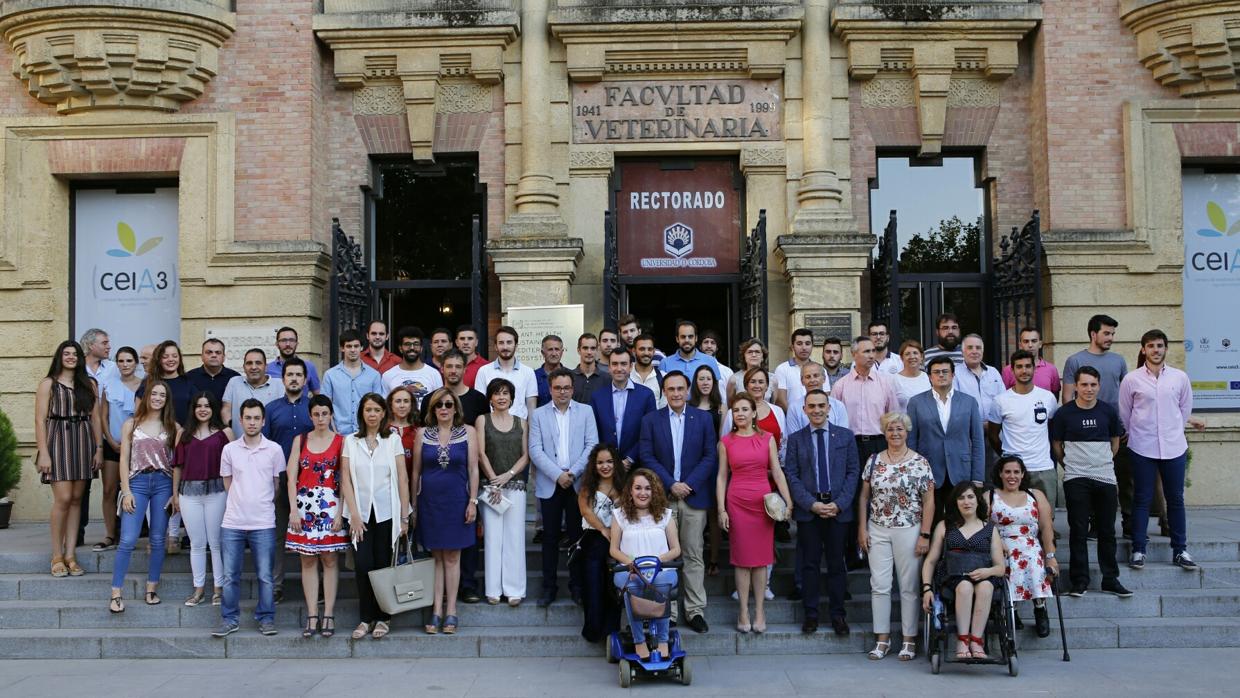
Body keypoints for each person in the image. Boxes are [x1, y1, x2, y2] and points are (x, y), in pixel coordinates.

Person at [639, 370, 718, 634]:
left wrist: (688, 485)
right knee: (665, 557)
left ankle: (695, 610)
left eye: (680, 389)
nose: (675, 393)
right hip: (663, 498)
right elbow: (646, 455)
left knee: (693, 555)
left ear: (687, 391)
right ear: (664, 391)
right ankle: (668, 612)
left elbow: (710, 456)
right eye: (670, 389)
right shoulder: (651, 420)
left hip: (694, 498)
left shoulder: (704, 419)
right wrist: (671, 484)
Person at [1119, 329, 1205, 571]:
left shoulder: (1179, 378)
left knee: (1175, 499)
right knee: (1142, 499)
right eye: (1151, 346)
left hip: (1174, 446)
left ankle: (1180, 549)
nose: (1156, 350)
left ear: (1166, 349)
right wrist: (1133, 435)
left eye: (1160, 346)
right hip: (1142, 447)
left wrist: (1173, 429)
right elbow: (1125, 413)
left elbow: (1184, 409)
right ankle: (1138, 549)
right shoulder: (1132, 379)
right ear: (1143, 349)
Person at [783, 389, 860, 637]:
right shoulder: (796, 439)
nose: (816, 410)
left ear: (829, 408)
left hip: (838, 510)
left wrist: (840, 503)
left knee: (837, 565)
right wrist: (810, 504)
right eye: (812, 406)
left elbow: (852, 473)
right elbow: (792, 475)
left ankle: (838, 615)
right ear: (804, 409)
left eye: (821, 406)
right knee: (809, 565)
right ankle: (811, 614)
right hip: (810, 511)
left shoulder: (846, 437)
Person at [857, 412, 933, 660]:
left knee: (909, 587)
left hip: (909, 529)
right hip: (877, 528)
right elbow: (864, 497)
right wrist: (862, 527)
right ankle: (882, 639)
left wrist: (925, 534)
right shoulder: (874, 460)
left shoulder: (920, 462)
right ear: (884, 432)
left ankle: (909, 640)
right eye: (890, 429)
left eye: (899, 429)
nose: (895, 433)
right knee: (879, 585)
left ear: (907, 431)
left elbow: (929, 501)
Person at [716, 393, 793, 634]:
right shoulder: (726, 442)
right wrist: (721, 509)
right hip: (737, 501)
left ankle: (759, 611)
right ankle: (743, 611)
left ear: (753, 413)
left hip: (763, 503)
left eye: (744, 409)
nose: (740, 413)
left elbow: (777, 472)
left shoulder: (768, 438)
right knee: (741, 560)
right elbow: (721, 477)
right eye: (736, 410)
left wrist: (788, 502)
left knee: (761, 561)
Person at [1053, 366, 1132, 598]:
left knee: (1107, 530)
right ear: (1075, 386)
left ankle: (1110, 579)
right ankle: (1080, 581)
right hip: (1076, 478)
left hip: (1105, 477)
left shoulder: (1107, 411)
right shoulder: (1064, 414)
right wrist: (1073, 466)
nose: (1088, 389)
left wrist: (1101, 464)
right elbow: (1057, 446)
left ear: (1099, 386)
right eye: (1084, 384)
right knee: (1078, 530)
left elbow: (1115, 444)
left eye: (1093, 385)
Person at [1062, 314, 1142, 538]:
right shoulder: (1074, 361)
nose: (1111, 338)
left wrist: (1127, 425)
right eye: (1107, 333)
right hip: (1086, 434)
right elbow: (1067, 398)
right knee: (1090, 481)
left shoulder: (1118, 361)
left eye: (1113, 334)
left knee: (1125, 480)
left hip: (1116, 430)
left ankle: (1130, 525)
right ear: (1093, 334)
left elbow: (1128, 397)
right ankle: (1095, 526)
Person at [212, 399, 285, 638]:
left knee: (265, 575)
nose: (252, 422)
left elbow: (276, 486)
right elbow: (227, 482)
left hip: (263, 522)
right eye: (248, 418)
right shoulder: (229, 449)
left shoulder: (274, 449)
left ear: (263, 421)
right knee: (230, 575)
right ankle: (229, 619)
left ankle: (266, 618)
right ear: (240, 420)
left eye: (256, 418)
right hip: (233, 521)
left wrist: (260, 503)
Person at [340, 393, 410, 640]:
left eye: (376, 410)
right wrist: (354, 515)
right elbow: (346, 479)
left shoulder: (393, 441)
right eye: (368, 410)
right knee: (362, 566)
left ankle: (383, 617)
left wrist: (404, 516)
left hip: (386, 513)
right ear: (362, 413)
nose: (372, 414)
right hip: (359, 514)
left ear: (383, 414)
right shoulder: (350, 441)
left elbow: (402, 478)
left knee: (383, 565)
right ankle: (364, 618)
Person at [529, 368, 599, 607]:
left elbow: (592, 445)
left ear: (573, 388)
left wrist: (572, 473)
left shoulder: (586, 412)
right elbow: (535, 450)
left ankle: (577, 587)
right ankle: (549, 588)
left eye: (566, 387)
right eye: (557, 387)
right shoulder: (538, 415)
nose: (562, 392)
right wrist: (558, 475)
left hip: (577, 483)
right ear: (550, 389)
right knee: (549, 538)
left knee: (577, 537)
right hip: (550, 483)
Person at [108, 380, 180, 612]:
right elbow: (123, 459)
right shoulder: (132, 423)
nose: (158, 398)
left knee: (158, 539)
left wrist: (175, 494)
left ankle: (151, 588)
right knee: (128, 539)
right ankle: (116, 593)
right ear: (147, 396)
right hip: (137, 482)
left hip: (163, 483)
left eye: (163, 395)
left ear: (167, 400)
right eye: (154, 394)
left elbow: (178, 464)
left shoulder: (173, 427)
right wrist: (126, 490)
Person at [411, 387, 479, 634]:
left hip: (457, 501)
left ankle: (451, 610)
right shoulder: (422, 434)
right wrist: (413, 506)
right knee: (436, 557)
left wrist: (473, 501)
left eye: (448, 404)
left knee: (452, 557)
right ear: (432, 409)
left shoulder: (468, 432)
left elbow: (473, 469)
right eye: (439, 405)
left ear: (456, 408)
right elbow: (416, 472)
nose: (443, 409)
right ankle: (435, 609)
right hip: (430, 502)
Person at [35, 340, 102, 578]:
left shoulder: (90, 383)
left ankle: (71, 554)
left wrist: (98, 448)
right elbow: (40, 420)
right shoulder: (48, 384)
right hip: (58, 441)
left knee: (76, 499)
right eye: (67, 353)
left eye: (75, 354)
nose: (71, 357)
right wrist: (43, 452)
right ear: (59, 356)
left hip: (83, 441)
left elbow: (95, 418)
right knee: (63, 498)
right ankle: (56, 555)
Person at [284, 394, 349, 638]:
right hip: (304, 507)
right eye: (316, 414)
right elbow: (291, 477)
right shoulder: (300, 440)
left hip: (331, 506)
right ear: (310, 416)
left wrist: (341, 512)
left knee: (330, 560)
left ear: (331, 414)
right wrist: (293, 510)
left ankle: (329, 613)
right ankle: (312, 614)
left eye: (325, 413)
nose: (321, 418)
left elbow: (345, 479)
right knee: (307, 560)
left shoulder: (342, 441)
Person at [920, 484, 1007, 660]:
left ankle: (976, 641)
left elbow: (1000, 567)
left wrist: (986, 572)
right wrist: (927, 588)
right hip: (953, 577)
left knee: (985, 588)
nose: (966, 502)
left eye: (970, 497)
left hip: (984, 575)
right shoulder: (945, 526)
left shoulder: (990, 529)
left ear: (977, 500)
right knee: (965, 587)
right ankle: (962, 640)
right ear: (955, 502)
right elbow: (930, 561)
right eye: (961, 498)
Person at [610, 468, 682, 661]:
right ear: (630, 491)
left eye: (648, 488)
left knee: (661, 584)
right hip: (630, 570)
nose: (643, 493)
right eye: (638, 488)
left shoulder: (665, 515)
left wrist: (659, 560)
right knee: (631, 585)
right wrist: (630, 563)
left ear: (654, 491)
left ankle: (663, 640)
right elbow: (614, 550)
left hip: (660, 570)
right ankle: (639, 640)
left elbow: (676, 550)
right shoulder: (620, 516)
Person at [906, 355, 985, 521]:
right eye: (936, 372)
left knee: (960, 521)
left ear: (953, 375)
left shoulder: (969, 402)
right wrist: (912, 473)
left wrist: (977, 478)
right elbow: (911, 441)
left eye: (945, 371)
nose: (941, 375)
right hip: (928, 471)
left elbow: (978, 441)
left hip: (961, 471)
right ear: (929, 376)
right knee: (931, 521)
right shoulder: (916, 402)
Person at [173, 392, 234, 607]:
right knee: (197, 544)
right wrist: (175, 495)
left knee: (216, 543)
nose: (203, 409)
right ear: (193, 409)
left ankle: (218, 589)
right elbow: (177, 466)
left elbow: (234, 467)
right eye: (199, 405)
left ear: (213, 408)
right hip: (189, 494)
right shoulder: (184, 434)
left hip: (217, 492)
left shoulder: (225, 433)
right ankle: (198, 589)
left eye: (207, 405)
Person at [990, 456, 1059, 638]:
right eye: (1007, 472)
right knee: (1009, 562)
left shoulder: (1035, 495)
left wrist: (1050, 555)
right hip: (1001, 545)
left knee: (1033, 559)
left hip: (1030, 544)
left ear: (1022, 475)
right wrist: (996, 541)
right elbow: (982, 526)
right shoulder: (990, 496)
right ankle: (1011, 609)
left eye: (1016, 472)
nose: (1012, 476)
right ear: (1000, 474)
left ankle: (1040, 608)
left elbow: (1046, 527)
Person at [263, 356, 313, 600]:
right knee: (278, 533)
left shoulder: (315, 408)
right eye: (290, 375)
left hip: (312, 481)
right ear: (282, 379)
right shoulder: (271, 409)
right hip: (280, 479)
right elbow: (263, 446)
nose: (294, 378)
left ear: (305, 380)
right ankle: (276, 585)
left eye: (298, 375)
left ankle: (317, 585)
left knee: (314, 532)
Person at [476, 379, 529, 606]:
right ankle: (493, 590)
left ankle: (514, 589)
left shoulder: (522, 423)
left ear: (512, 397)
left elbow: (526, 455)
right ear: (490, 397)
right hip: (491, 489)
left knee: (515, 537)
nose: (501, 397)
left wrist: (508, 475)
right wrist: (494, 481)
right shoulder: (482, 420)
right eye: (497, 393)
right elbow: (480, 453)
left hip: (515, 485)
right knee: (493, 538)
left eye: (506, 393)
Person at [988, 350, 1060, 502]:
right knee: (1013, 518)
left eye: (1028, 366)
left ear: (1034, 368)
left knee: (1046, 519)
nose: (1024, 370)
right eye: (1019, 367)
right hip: (1013, 470)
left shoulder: (1048, 398)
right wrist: (1007, 455)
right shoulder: (1001, 400)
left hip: (1043, 467)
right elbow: (993, 435)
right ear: (1012, 370)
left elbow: (1053, 431)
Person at [94, 346, 142, 552]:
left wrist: (132, 441)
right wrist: (111, 440)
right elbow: (102, 416)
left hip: (137, 445)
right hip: (113, 443)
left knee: (136, 490)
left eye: (129, 361)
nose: (125, 365)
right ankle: (110, 534)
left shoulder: (144, 385)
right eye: (121, 361)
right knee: (109, 489)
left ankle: (132, 534)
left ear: (136, 363)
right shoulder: (108, 385)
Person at [578, 444, 626, 642]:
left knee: (612, 585)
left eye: (608, 461)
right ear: (594, 465)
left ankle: (611, 631)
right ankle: (593, 629)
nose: (604, 466)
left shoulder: (623, 484)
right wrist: (602, 529)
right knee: (593, 584)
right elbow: (585, 511)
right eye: (600, 462)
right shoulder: (588, 485)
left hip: (617, 540)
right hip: (593, 538)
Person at [78, 329, 117, 546]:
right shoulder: (77, 369)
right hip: (84, 435)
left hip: (110, 434)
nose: (108, 346)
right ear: (90, 345)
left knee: (113, 487)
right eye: (104, 342)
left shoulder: (113, 368)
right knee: (82, 486)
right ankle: (77, 532)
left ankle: (114, 532)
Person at [590, 348, 657, 470]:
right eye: (614, 364)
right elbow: (594, 432)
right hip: (606, 467)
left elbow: (649, 433)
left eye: (623, 364)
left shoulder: (646, 395)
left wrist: (630, 459)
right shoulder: (597, 397)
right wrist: (608, 460)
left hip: (636, 466)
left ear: (631, 367)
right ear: (609, 367)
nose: (619, 368)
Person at [690, 364, 726, 579]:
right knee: (695, 514)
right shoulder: (688, 406)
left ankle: (713, 559)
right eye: (701, 379)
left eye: (708, 379)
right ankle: (694, 560)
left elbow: (722, 439)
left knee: (714, 514)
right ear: (695, 383)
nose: (704, 382)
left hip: (713, 465)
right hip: (692, 466)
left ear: (714, 383)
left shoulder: (721, 408)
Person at [321, 329, 383, 436]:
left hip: (366, 433)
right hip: (339, 434)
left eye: (356, 346)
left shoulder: (374, 375)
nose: (353, 350)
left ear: (362, 347)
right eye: (349, 346)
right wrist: (333, 431)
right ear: (342, 348)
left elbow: (379, 407)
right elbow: (325, 406)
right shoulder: (330, 375)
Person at [473, 325, 539, 420]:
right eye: (501, 343)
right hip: (491, 428)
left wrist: (531, 433)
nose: (505, 347)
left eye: (509, 342)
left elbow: (531, 406)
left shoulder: (528, 372)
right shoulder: (484, 371)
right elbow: (479, 405)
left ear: (515, 345)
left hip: (520, 428)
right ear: (495, 346)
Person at [382, 326, 443, 412]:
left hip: (426, 424)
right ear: (400, 348)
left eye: (416, 344)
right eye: (407, 344)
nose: (412, 348)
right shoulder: (388, 375)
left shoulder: (434, 374)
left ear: (421, 348)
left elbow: (439, 405)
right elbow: (385, 408)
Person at [222, 348, 283, 431]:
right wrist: (230, 430)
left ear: (266, 367)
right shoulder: (234, 382)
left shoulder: (279, 385)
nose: (253, 367)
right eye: (249, 363)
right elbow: (226, 409)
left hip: (269, 442)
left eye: (258, 363)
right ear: (244, 367)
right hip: (238, 442)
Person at [785, 361, 851, 435]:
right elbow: (795, 439)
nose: (812, 380)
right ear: (802, 381)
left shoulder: (838, 406)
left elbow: (843, 436)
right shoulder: (794, 408)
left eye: (816, 376)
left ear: (824, 378)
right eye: (808, 377)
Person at [954, 334, 1005, 427]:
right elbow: (955, 405)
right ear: (962, 351)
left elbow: (1004, 400)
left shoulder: (993, 372)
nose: (974, 351)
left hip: (995, 429)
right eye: (970, 348)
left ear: (982, 351)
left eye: (978, 348)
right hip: (968, 430)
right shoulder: (955, 374)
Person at [138, 339, 193, 423]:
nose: (171, 359)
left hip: (183, 433)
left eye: (174, 356)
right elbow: (139, 414)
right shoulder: (148, 382)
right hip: (155, 434)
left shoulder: (188, 382)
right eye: (165, 357)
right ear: (158, 360)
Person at [1001, 327, 1061, 394]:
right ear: (1020, 345)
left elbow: (1055, 396)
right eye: (1026, 341)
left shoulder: (1051, 369)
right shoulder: (1008, 370)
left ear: (1040, 344)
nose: (1030, 345)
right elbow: (1004, 395)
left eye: (1034, 341)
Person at [266, 327, 321, 394]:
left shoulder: (309, 367)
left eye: (291, 340)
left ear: (297, 344)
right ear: (277, 344)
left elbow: (317, 395)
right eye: (283, 340)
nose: (288, 344)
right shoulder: (267, 369)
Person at [184, 339, 240, 404]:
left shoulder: (234, 378)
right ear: (202, 356)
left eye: (218, 352)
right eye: (209, 352)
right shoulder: (189, 377)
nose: (214, 355)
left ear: (223, 357)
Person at [773, 328, 815, 412]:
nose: (804, 347)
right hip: (791, 420)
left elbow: (825, 396)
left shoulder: (820, 370)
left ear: (812, 346)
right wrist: (795, 416)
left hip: (815, 419)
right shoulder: (782, 369)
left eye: (807, 343)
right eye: (799, 344)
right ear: (792, 347)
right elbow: (781, 400)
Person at [891, 340, 931, 411]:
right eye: (907, 354)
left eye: (915, 353)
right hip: (904, 421)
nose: (912, 357)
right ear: (901, 358)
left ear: (921, 357)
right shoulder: (894, 380)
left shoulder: (927, 377)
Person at [388, 386, 418, 478]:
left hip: (411, 483)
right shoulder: (382, 430)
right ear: (391, 405)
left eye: (406, 401)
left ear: (411, 405)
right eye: (398, 401)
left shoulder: (418, 432)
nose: (402, 405)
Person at [631, 334, 666, 409]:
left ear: (653, 351)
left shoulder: (663, 377)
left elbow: (664, 410)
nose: (646, 353)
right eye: (642, 349)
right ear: (634, 351)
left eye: (649, 349)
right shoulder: (626, 375)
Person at [571, 332, 608, 403]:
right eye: (585, 348)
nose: (589, 352)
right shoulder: (570, 377)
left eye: (593, 348)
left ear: (597, 350)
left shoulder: (607, 379)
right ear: (578, 350)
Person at [534, 334, 564, 407]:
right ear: (542, 352)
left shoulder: (571, 376)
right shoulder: (533, 377)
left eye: (557, 349)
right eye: (550, 349)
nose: (554, 354)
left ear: (562, 352)